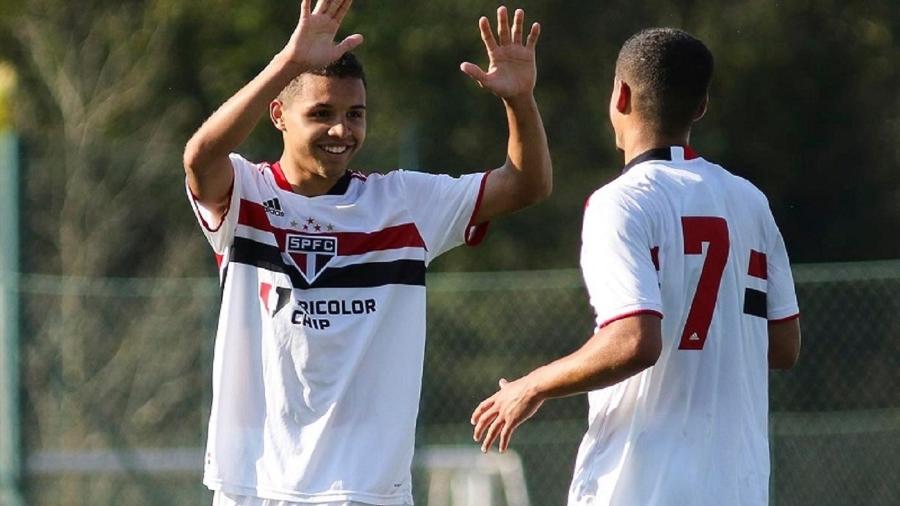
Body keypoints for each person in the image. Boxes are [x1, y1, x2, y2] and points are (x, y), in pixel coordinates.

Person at [182, 1, 550, 505]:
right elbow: (200, 156)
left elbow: (527, 184)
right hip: (254, 488)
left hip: (368, 491)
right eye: (322, 113)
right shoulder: (245, 194)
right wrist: (289, 62)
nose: (342, 130)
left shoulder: (402, 203)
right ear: (279, 115)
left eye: (355, 114)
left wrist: (520, 102)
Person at [471, 28, 801, 505]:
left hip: (641, 487)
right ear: (701, 107)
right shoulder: (750, 201)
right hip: (738, 488)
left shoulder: (622, 203)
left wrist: (532, 385)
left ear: (620, 95)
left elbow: (634, 341)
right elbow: (784, 346)